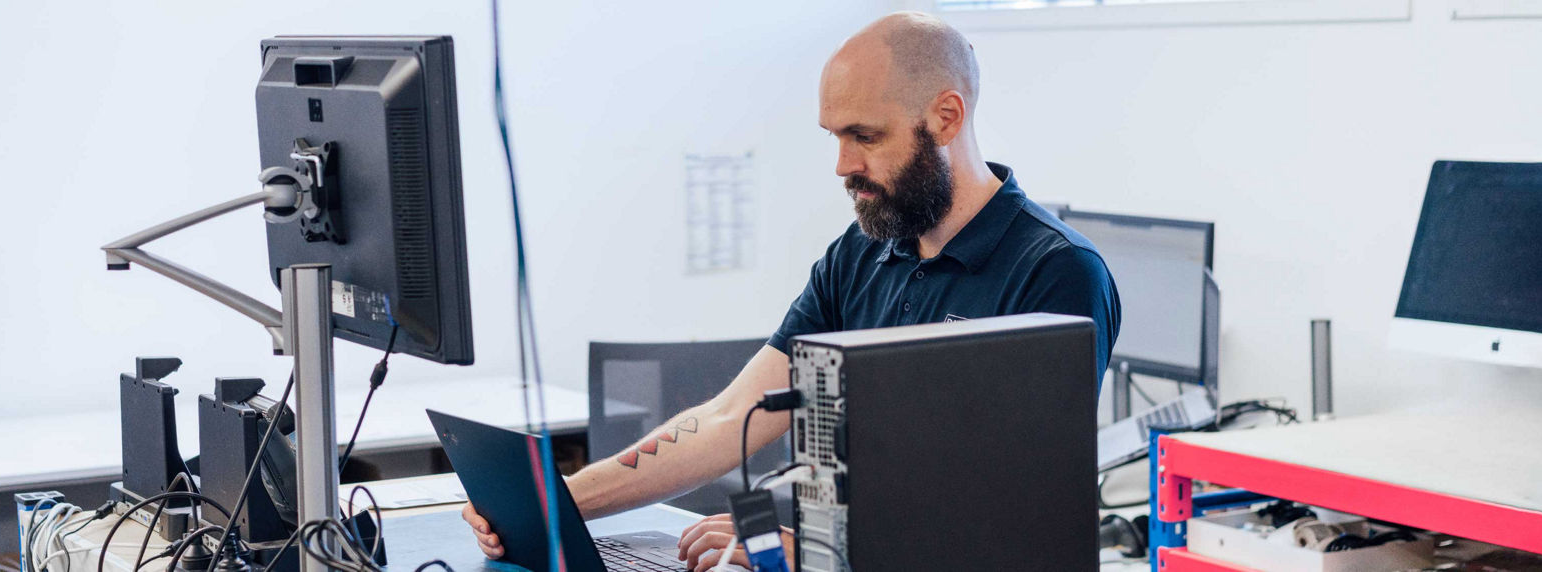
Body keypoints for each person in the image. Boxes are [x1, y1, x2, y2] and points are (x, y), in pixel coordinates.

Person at [465, 11, 1121, 571]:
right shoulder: (860, 254)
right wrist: (560, 501)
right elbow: (728, 420)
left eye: (865, 136)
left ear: (946, 116)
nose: (843, 165)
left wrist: (793, 551)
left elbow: (1004, 511)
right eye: (836, 137)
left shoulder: (1055, 272)